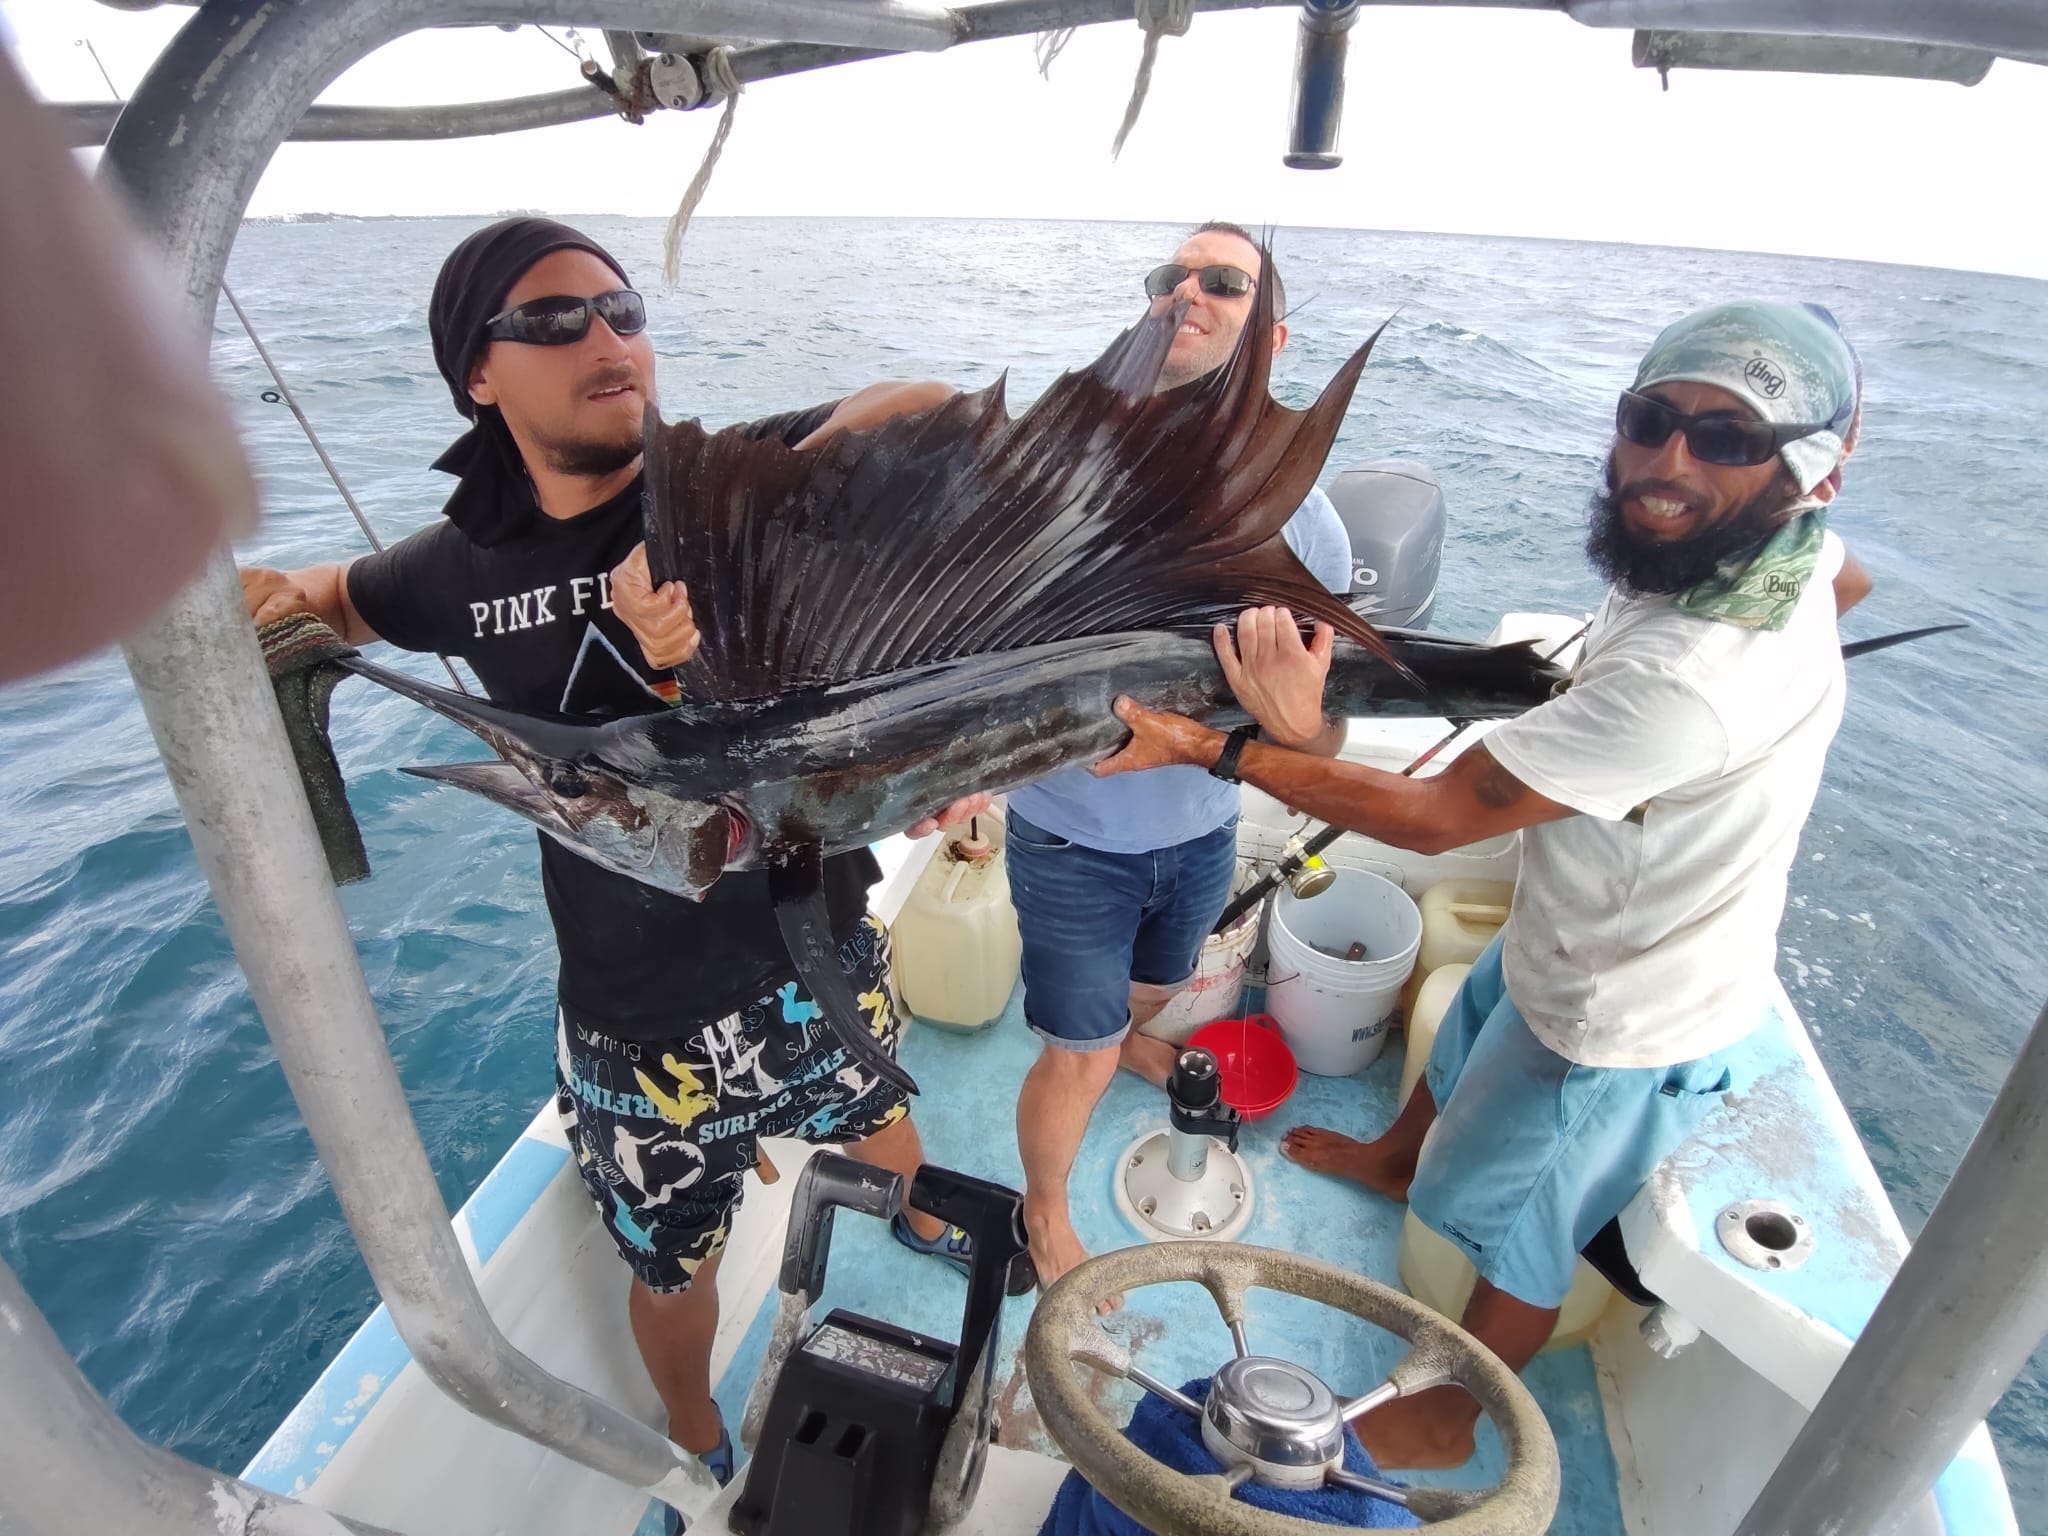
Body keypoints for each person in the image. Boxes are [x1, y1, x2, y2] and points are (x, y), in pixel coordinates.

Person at [239, 218, 982, 1495]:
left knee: (881, 1116)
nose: (605, 338)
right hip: (629, 1016)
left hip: (810, 944)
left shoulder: (718, 492)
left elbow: (930, 411)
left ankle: (913, 1213)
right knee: (670, 1264)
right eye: (551, 320)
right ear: (476, 373)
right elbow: (337, 597)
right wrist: (261, 593)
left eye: (623, 309)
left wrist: (733, 541)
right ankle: (695, 1439)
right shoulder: (463, 568)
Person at [1096, 301, 1869, 1466]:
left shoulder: (1690, 682)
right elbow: (1842, 587)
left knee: (1516, 1227)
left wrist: (1215, 748)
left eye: (1725, 441)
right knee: (1460, 1029)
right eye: (1651, 420)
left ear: (1813, 467)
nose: (1667, 463)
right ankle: (1393, 1155)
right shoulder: (1775, 558)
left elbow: (1437, 814)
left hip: (1622, 1006)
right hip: (1585, 917)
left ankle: (1448, 1410)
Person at [1001, 222, 1355, 1294]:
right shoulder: (1054, 487)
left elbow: (1322, 733)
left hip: (1203, 829)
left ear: (1273, 336)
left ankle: (1126, 1040)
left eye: (1222, 281)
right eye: (1169, 278)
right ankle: (1045, 1207)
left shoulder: (1311, 534)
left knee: (1154, 991)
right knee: (1076, 1052)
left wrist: (1297, 726)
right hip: (1069, 838)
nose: (1185, 293)